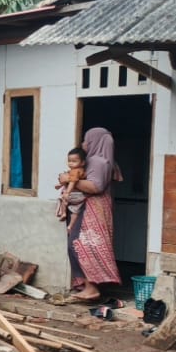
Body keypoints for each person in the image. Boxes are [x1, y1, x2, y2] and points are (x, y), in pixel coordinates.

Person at [69, 127, 122, 302]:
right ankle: (88, 286)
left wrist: (69, 181)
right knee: (83, 245)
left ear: (95, 141)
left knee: (83, 245)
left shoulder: (98, 161)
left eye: (86, 140)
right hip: (96, 207)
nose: (83, 143)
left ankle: (91, 289)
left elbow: (95, 187)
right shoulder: (100, 160)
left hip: (93, 208)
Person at [54, 147, 88, 227]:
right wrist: (59, 185)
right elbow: (67, 181)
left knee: (63, 199)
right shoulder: (81, 170)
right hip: (81, 196)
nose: (71, 163)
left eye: (74, 161)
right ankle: (70, 226)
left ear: (83, 162)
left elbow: (72, 182)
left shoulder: (75, 171)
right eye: (69, 161)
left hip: (75, 194)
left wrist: (67, 192)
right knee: (75, 211)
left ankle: (63, 213)